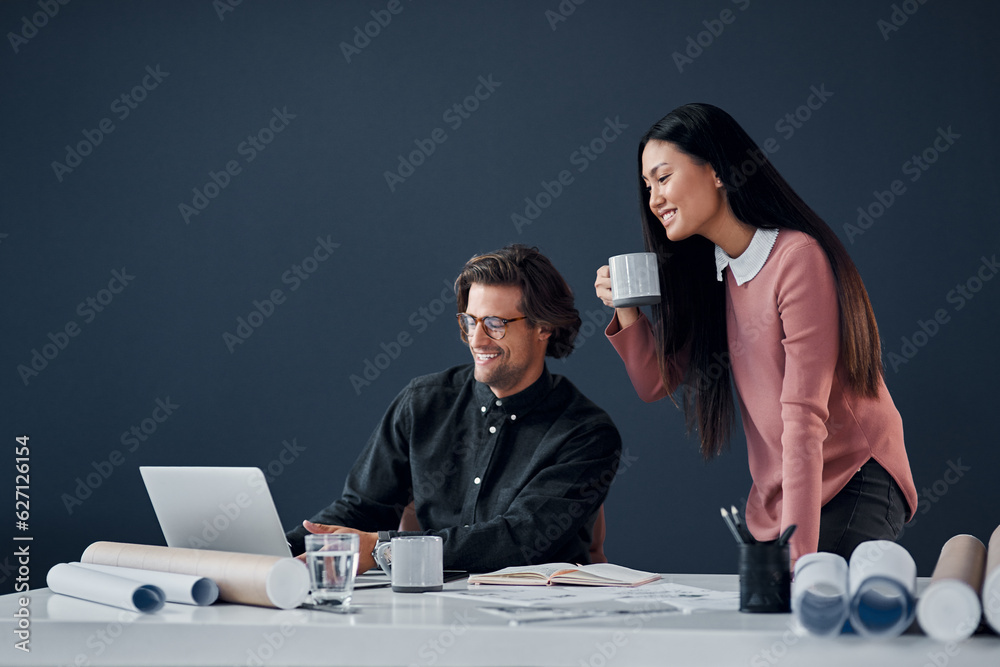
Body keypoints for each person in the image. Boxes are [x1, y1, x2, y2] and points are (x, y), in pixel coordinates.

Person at [594, 103, 916, 564]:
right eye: (647, 186)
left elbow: (803, 418)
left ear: (718, 171)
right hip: (780, 496)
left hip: (853, 479)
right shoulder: (713, 274)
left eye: (663, 179)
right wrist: (626, 307)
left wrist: (799, 563)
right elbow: (653, 382)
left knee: (812, 606)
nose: (653, 200)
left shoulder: (795, 258)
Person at [288, 244, 622, 573]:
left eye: (495, 323)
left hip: (537, 618)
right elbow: (361, 510)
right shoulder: (424, 402)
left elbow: (519, 540)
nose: (477, 340)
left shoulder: (586, 433)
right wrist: (276, 550)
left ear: (544, 327)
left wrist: (384, 550)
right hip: (432, 609)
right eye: (470, 321)